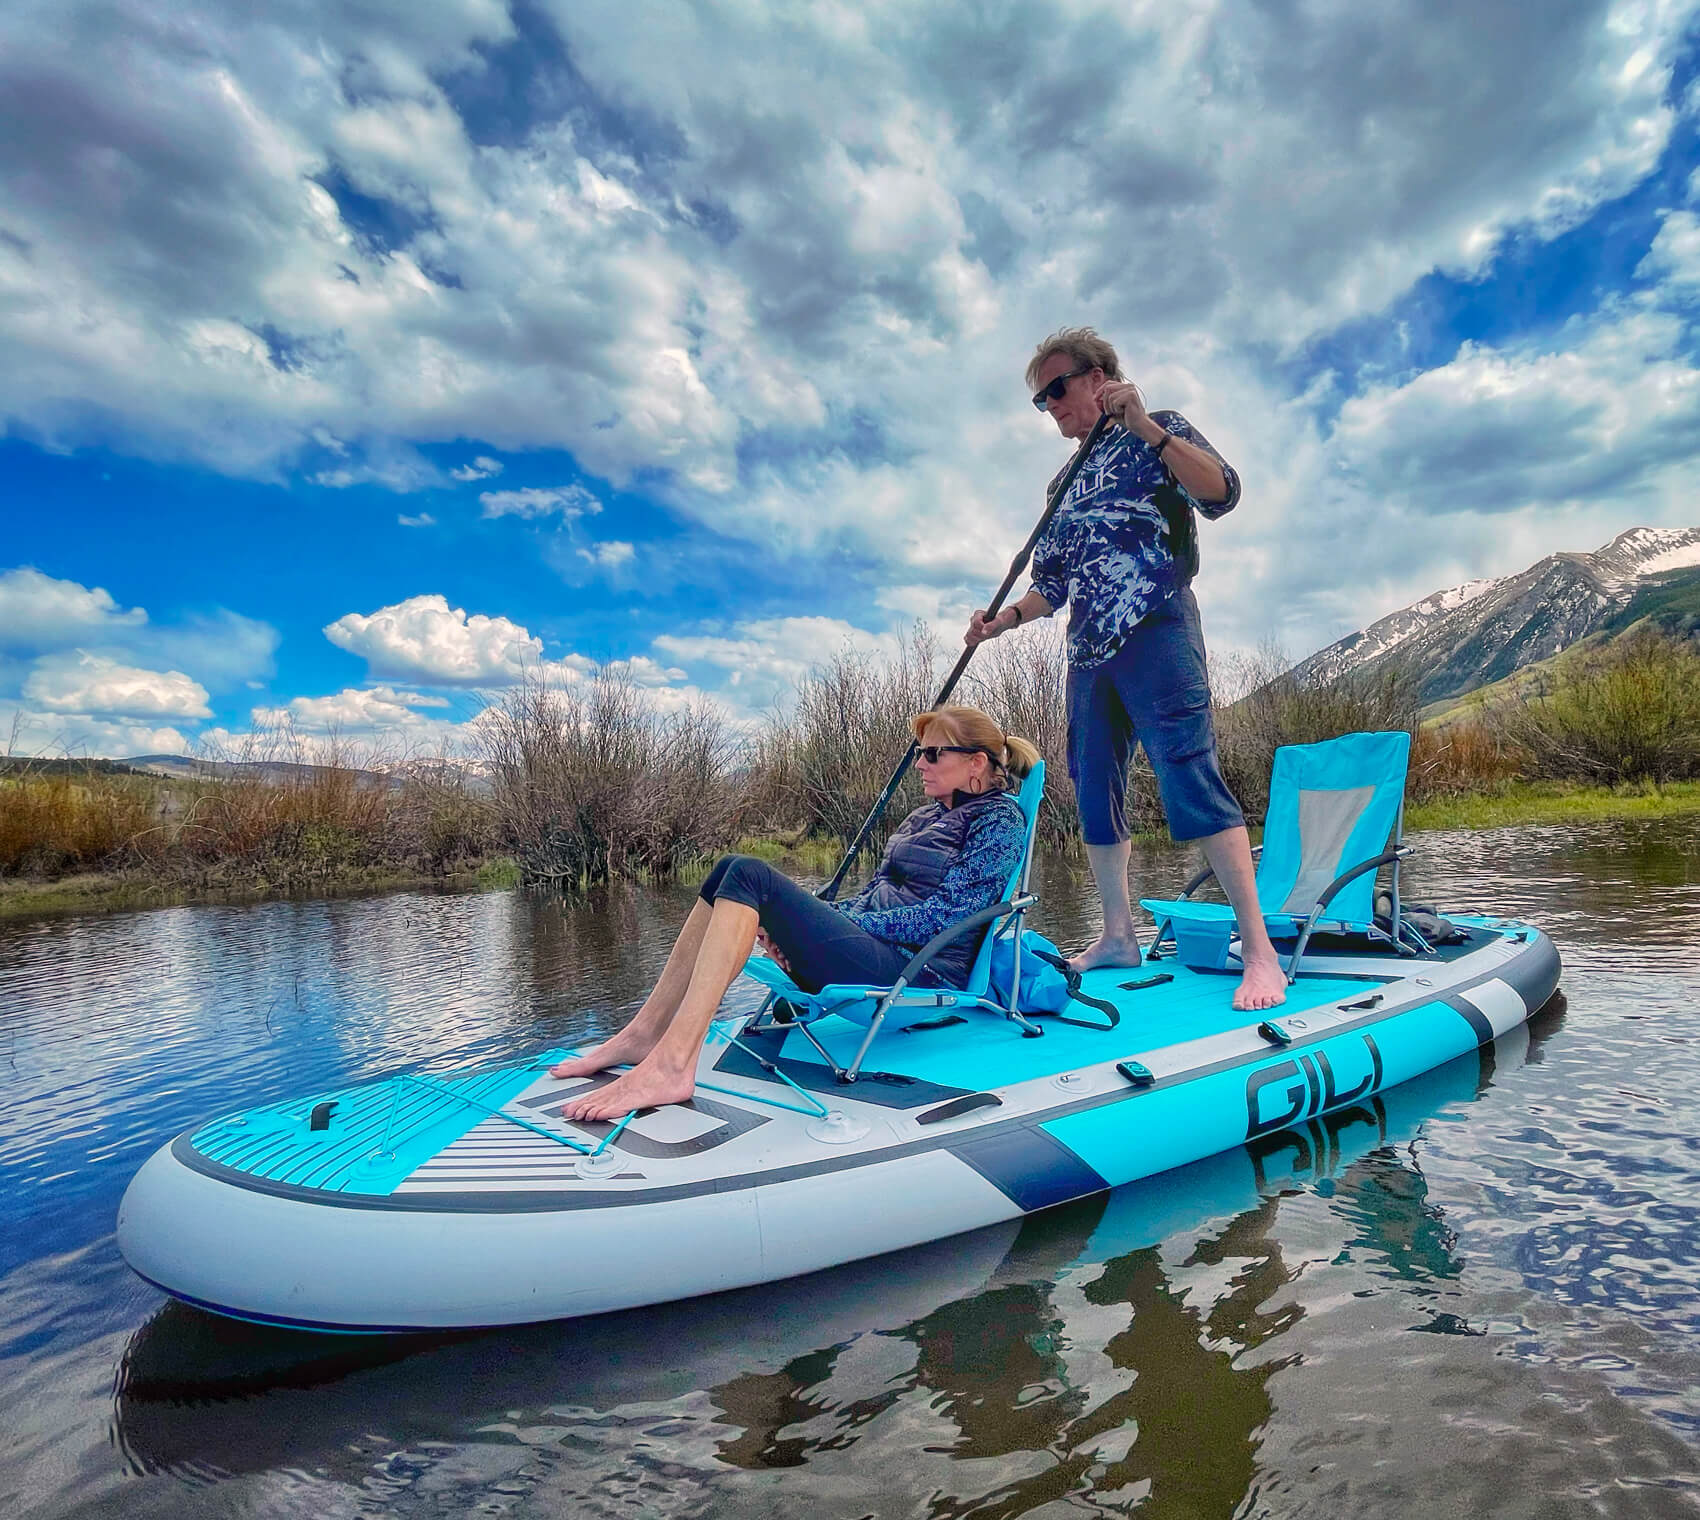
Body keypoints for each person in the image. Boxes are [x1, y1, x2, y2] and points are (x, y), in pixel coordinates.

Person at [964, 326, 1286, 1012]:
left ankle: (1260, 952)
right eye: (1039, 398)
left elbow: (1223, 493)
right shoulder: (1061, 483)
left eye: (1058, 387)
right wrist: (1000, 624)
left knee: (1187, 773)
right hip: (1088, 653)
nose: (1050, 404)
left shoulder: (1158, 428)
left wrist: (1142, 425)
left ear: (1098, 375)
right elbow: (1050, 586)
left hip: (1158, 624)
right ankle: (1117, 935)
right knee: (1092, 789)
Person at [554, 705, 1042, 1120]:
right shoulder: (925, 816)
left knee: (747, 873)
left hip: (921, 969)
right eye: (919, 753)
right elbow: (875, 895)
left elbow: (949, 916)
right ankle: (646, 1034)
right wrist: (811, 924)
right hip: (880, 949)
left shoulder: (999, 821)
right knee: (727, 869)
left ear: (976, 762)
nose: (920, 764)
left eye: (933, 753)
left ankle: (674, 1066)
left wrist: (845, 925)